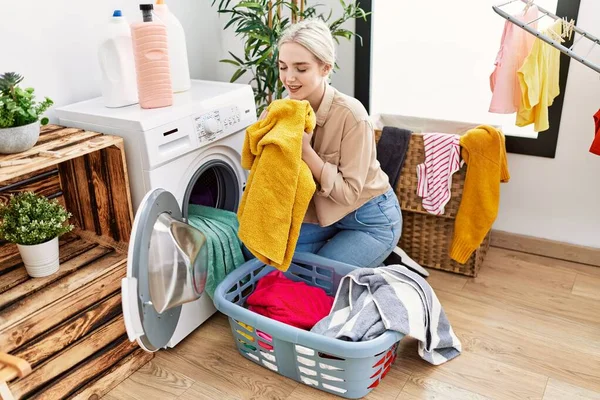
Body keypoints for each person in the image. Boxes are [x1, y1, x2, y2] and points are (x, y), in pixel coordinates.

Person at [270, 18, 402, 268]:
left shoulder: (352, 115)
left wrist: (306, 151)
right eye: (283, 66)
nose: (289, 78)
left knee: (315, 282)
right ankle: (349, 259)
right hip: (320, 216)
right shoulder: (285, 108)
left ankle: (373, 258)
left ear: (325, 69)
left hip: (369, 219)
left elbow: (349, 193)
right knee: (269, 260)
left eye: (301, 68)